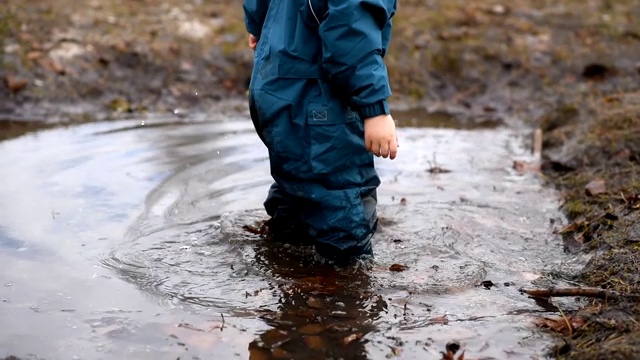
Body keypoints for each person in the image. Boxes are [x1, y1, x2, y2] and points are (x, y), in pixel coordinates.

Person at [243, 0, 398, 266]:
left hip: (274, 83)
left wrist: (259, 26)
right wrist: (375, 109)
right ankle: (343, 290)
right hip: (318, 96)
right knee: (340, 191)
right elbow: (350, 31)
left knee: (299, 175)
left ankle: (286, 256)